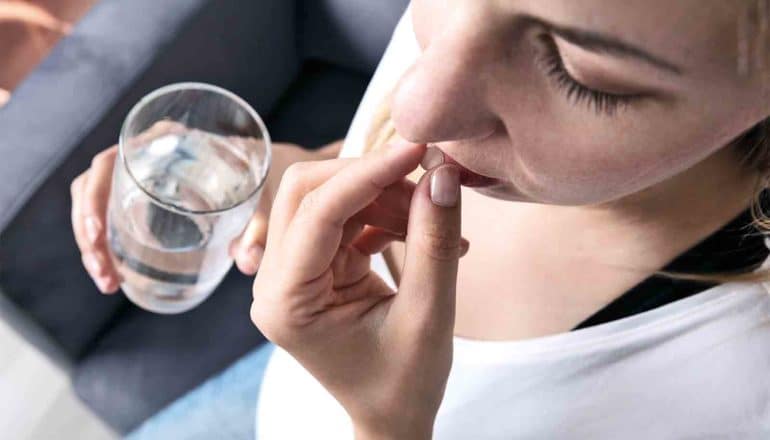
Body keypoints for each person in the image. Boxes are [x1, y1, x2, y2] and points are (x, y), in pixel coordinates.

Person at [71, 1, 770, 438]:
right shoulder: (467, 36)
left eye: (581, 74)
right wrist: (284, 173)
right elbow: (381, 142)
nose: (416, 105)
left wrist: (389, 425)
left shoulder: (739, 394)